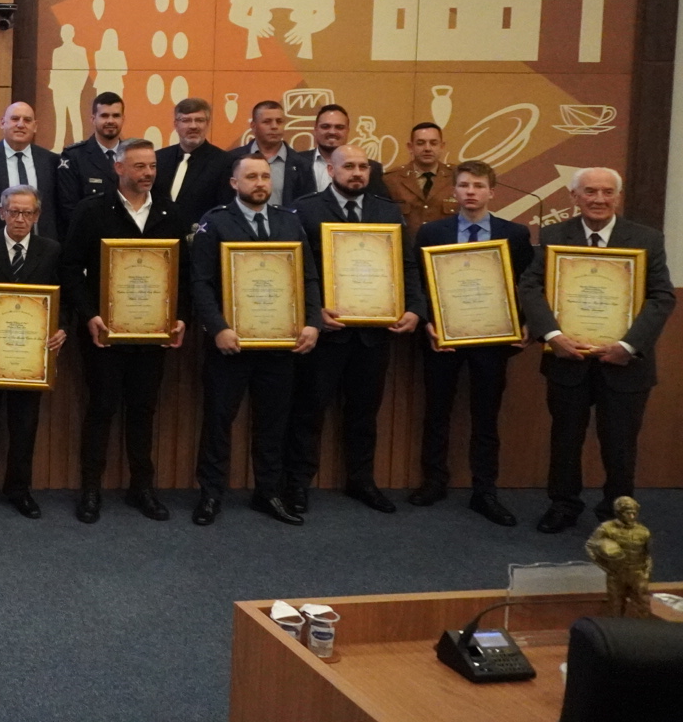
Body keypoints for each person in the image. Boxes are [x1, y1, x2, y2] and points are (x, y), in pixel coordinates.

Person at [519, 168, 675, 534]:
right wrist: (553, 336)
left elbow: (662, 296)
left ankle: (618, 511)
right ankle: (563, 504)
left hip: (625, 365)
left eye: (607, 192)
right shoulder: (555, 235)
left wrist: (628, 345)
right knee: (565, 439)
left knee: (620, 444)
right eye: (590, 191)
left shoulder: (647, 239)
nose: (599, 199)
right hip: (566, 359)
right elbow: (530, 287)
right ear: (574, 196)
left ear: (618, 197)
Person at [282, 144, 421, 517]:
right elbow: (294, 269)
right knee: (309, 411)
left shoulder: (387, 211)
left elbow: (407, 267)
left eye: (363, 167)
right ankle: (296, 483)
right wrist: (313, 314)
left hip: (374, 334)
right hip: (326, 332)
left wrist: (414, 310)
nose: (357, 173)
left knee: (364, 413)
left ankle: (362, 481)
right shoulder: (306, 209)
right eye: (349, 167)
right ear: (331, 169)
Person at [190, 152, 321, 527]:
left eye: (265, 176)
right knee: (218, 421)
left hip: (279, 345)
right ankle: (211, 494)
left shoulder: (288, 223)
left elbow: (308, 277)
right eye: (251, 177)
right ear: (235, 183)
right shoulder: (215, 224)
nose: (260, 183)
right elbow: (200, 283)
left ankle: (268, 492)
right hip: (230, 345)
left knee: (273, 423)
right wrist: (218, 328)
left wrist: (313, 323)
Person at [62, 139, 188, 523]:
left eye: (151, 166)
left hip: (152, 335)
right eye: (139, 167)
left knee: (143, 410)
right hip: (104, 334)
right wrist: (88, 316)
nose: (148, 173)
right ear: (119, 168)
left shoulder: (171, 212)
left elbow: (186, 273)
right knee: (100, 409)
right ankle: (90, 489)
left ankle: (142, 488)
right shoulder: (92, 210)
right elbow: (69, 268)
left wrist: (180, 316)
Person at [408, 160, 534, 526]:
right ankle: (433, 481)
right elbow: (419, 283)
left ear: (491, 191)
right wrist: (428, 323)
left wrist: (523, 324)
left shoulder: (515, 234)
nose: (471, 192)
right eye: (464, 185)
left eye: (478, 186)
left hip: (493, 340)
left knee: (486, 416)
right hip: (442, 337)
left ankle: (485, 490)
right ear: (455, 190)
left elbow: (526, 285)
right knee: (437, 411)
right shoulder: (432, 232)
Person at [0, 185, 66, 521]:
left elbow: (63, 298)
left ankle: (19, 490)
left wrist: (62, 328)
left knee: (24, 426)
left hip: (31, 359)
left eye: (27, 213)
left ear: (37, 216)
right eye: (14, 212)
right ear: (2, 212)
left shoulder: (51, 251)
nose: (20, 219)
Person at [0, 101, 62, 244]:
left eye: (27, 120)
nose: (21, 125)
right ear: (2, 123)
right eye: (15, 119)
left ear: (35, 127)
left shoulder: (52, 161)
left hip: (42, 249)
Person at [154, 97, 232, 233]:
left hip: (202, 243)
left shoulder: (225, 162)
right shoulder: (158, 159)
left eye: (199, 120)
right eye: (186, 120)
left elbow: (224, 213)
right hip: (161, 241)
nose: (193, 126)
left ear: (208, 124)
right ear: (176, 124)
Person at [286, 104, 390, 202]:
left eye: (339, 127)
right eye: (325, 126)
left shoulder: (372, 168)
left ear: (348, 131)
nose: (332, 132)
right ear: (315, 129)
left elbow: (378, 209)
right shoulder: (294, 163)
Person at [55, 91, 126, 236]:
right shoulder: (74, 157)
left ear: (123, 119)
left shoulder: (133, 156)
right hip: (89, 241)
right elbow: (69, 209)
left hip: (127, 241)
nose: (111, 121)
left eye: (116, 115)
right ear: (93, 119)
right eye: (104, 115)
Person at [221, 99, 304, 208]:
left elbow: (306, 206)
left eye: (279, 121)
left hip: (286, 224)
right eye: (267, 121)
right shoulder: (232, 160)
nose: (274, 126)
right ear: (253, 126)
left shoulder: (302, 164)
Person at [384, 123, 458, 229]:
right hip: (406, 245)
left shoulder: (457, 177)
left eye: (433, 143)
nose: (427, 148)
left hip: (445, 245)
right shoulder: (391, 180)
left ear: (442, 146)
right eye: (420, 143)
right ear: (410, 147)